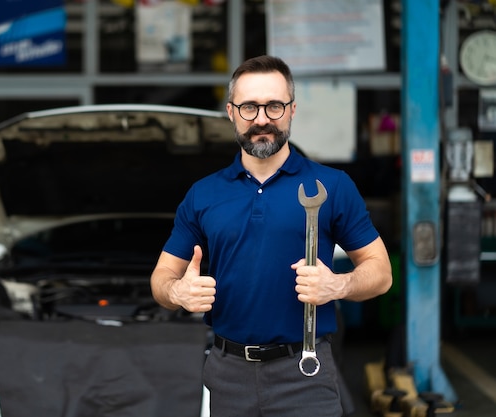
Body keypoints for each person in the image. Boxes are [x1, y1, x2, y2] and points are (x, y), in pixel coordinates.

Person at [150, 55, 393, 417]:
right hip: (227, 374)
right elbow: (160, 279)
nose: (262, 119)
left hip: (305, 373)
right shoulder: (203, 195)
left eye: (274, 106)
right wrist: (176, 291)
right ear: (231, 112)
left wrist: (337, 286)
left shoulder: (332, 186)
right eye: (249, 107)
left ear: (292, 110)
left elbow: (382, 274)